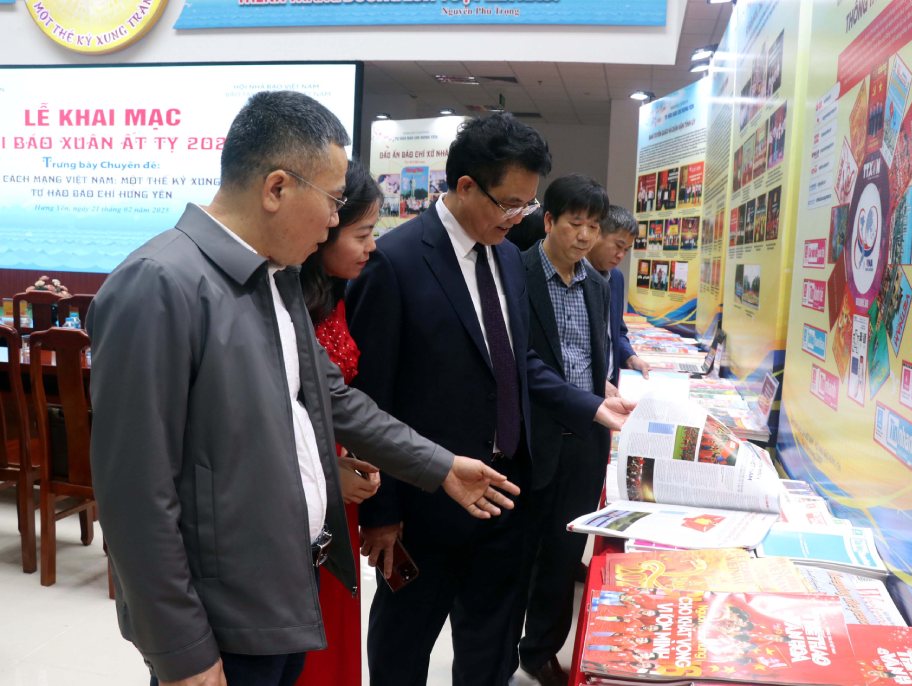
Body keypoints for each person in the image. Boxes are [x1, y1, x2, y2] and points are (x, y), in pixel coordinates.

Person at [86, 91, 520, 686]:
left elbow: (332, 398)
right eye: (334, 200)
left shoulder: (277, 277)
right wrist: (181, 651)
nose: (334, 221)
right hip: (219, 620)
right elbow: (134, 497)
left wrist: (439, 466)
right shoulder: (158, 286)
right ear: (276, 188)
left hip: (283, 593)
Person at [345, 113, 634, 686]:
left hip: (506, 496)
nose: (518, 218)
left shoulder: (506, 256)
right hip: (427, 503)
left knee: (489, 654)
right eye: (509, 203)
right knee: (403, 649)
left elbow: (517, 360)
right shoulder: (396, 261)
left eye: (526, 206)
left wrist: (587, 404)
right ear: (466, 186)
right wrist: (381, 514)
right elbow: (369, 399)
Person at [517, 174, 612, 686]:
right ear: (549, 220)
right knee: (517, 553)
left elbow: (591, 359)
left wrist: (607, 391)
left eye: (593, 227)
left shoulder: (599, 284)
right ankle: (496, 649)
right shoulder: (517, 272)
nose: (584, 237)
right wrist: (589, 405)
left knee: (562, 557)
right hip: (531, 441)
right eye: (575, 223)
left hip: (586, 443)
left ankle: (539, 652)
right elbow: (524, 363)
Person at [297, 159, 383, 686]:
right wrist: (332, 470)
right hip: (305, 488)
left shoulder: (340, 294)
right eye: (362, 233)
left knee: (335, 618)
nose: (372, 246)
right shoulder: (288, 301)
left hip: (340, 485)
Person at [587, 205, 651, 384]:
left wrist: (630, 356)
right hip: (583, 388)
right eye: (618, 246)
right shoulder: (575, 275)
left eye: (627, 250)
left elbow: (616, 331)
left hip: (612, 383)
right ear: (597, 233)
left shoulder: (616, 277)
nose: (621, 255)